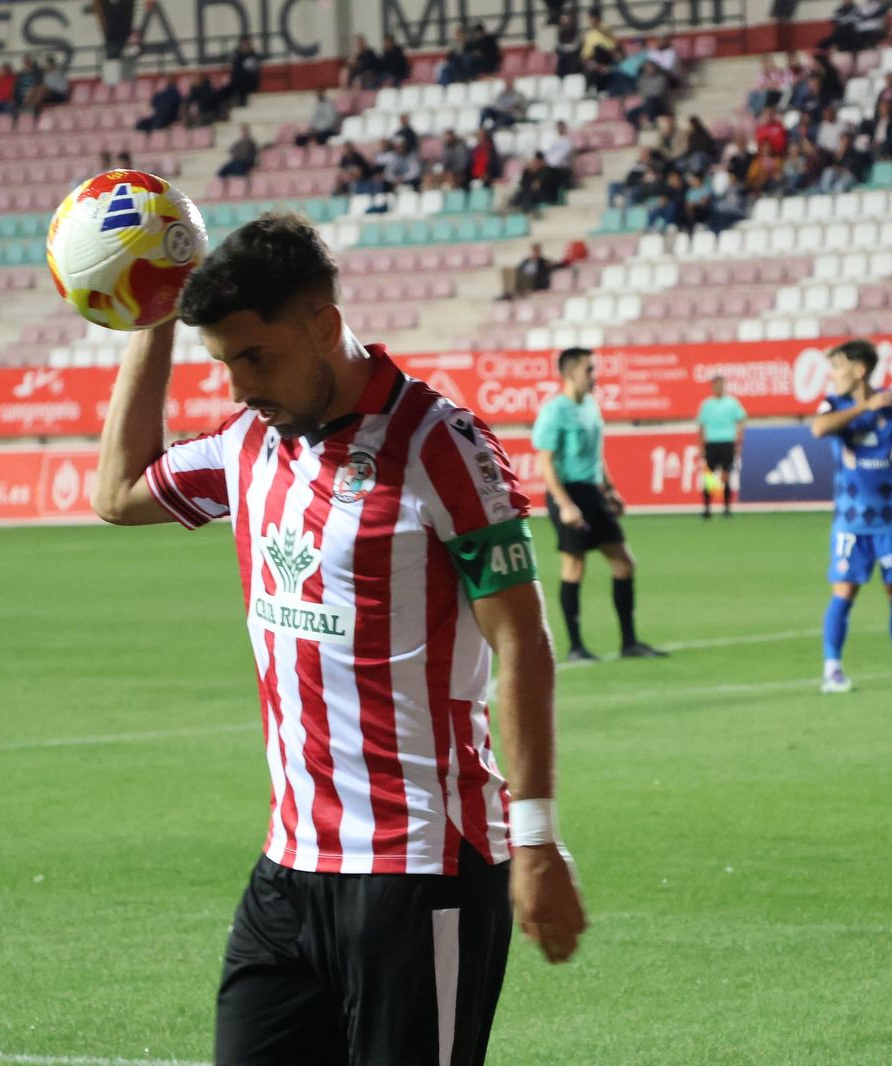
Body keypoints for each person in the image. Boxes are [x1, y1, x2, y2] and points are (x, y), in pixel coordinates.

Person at [91, 212, 588, 1065]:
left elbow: (523, 643)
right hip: (287, 871)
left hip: (420, 868)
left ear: (324, 325)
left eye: (256, 357)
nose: (240, 387)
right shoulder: (249, 443)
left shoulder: (440, 446)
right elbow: (118, 492)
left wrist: (536, 837)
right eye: (225, 364)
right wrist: (153, 315)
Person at [810, 339, 892, 694]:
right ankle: (832, 671)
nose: (833, 375)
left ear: (859, 370)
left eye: (837, 367)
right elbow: (818, 429)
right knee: (844, 590)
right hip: (850, 521)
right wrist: (865, 406)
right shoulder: (833, 404)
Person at [532, 347, 668, 663]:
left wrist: (610, 489)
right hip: (568, 494)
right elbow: (546, 464)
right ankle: (576, 647)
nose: (595, 376)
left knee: (624, 563)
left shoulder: (591, 405)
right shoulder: (554, 412)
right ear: (570, 374)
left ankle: (629, 643)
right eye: (589, 370)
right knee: (574, 566)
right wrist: (565, 505)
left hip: (593, 492)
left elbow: (596, 453)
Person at [696, 375, 746, 518]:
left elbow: (741, 421)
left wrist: (739, 442)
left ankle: (726, 508)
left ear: (724, 385)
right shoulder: (707, 404)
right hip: (712, 443)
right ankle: (707, 509)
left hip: (727, 443)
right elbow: (701, 426)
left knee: (726, 476)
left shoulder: (732, 403)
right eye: (716, 384)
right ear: (712, 387)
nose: (718, 387)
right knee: (709, 477)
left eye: (721, 384)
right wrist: (701, 446)